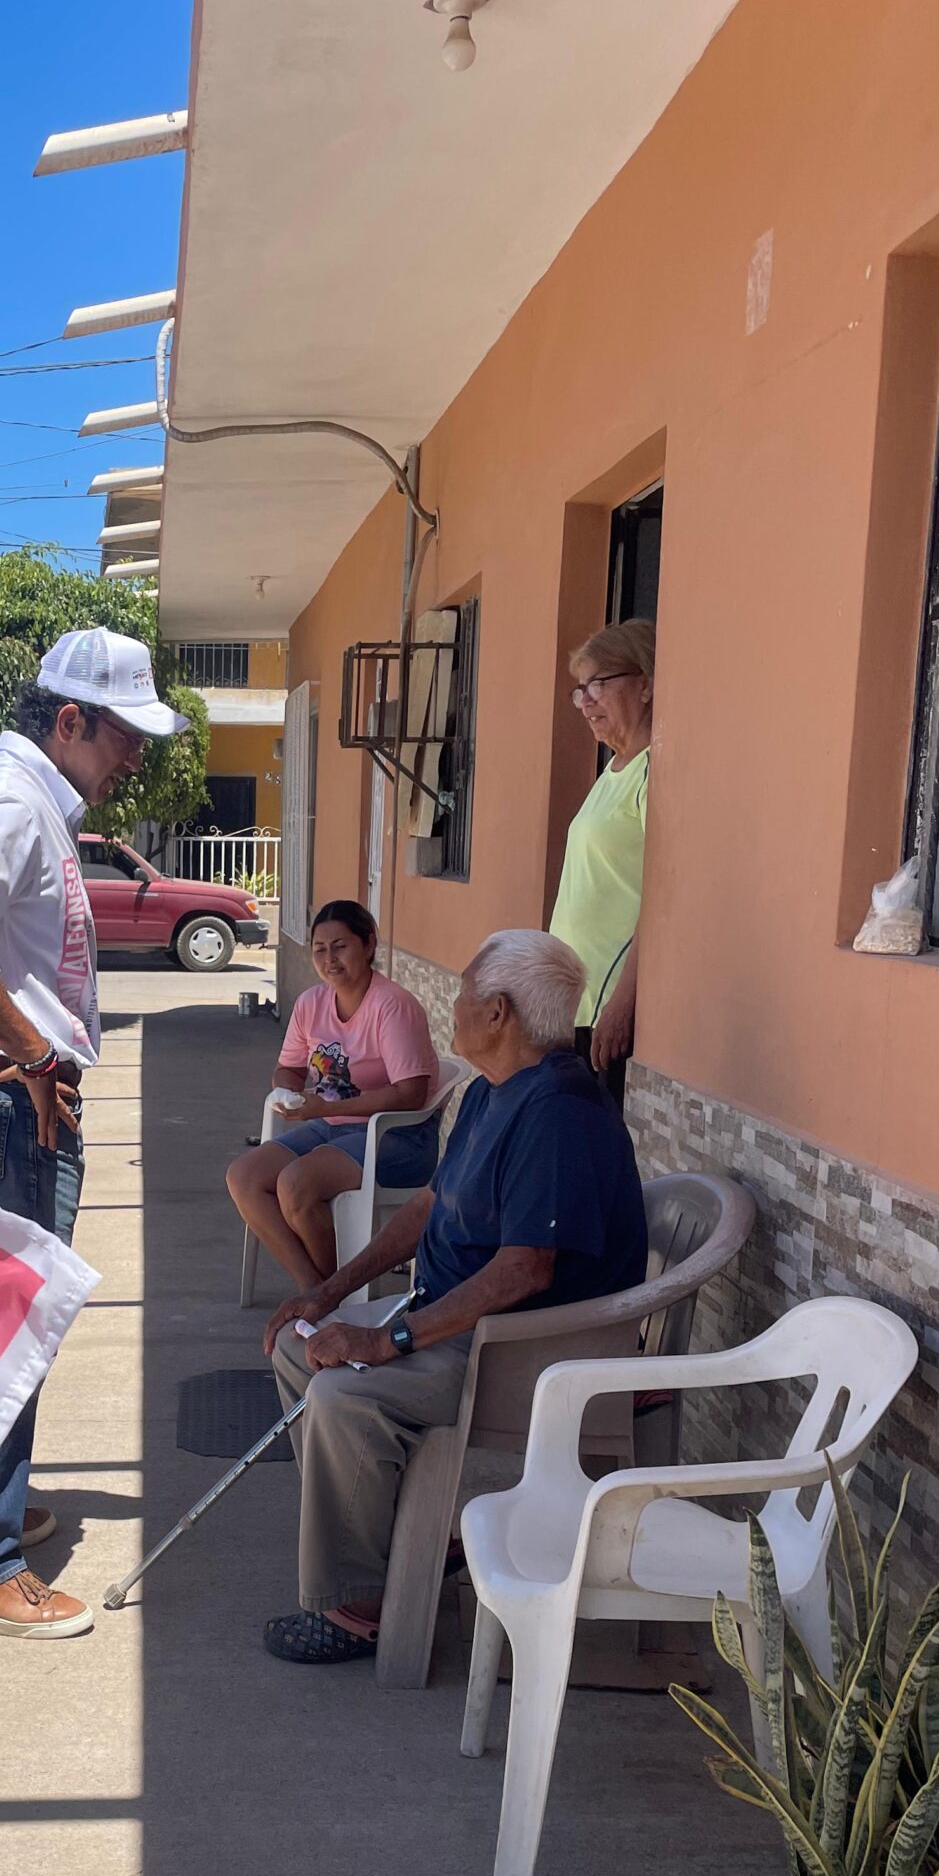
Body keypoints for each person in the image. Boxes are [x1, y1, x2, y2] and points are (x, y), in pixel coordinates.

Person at [259, 929, 646, 1664]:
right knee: (297, 1344)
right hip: (457, 1318)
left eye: (465, 994)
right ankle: (386, 1539)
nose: (455, 1007)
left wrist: (387, 1341)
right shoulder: (488, 1093)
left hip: (523, 1353)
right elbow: (425, 1210)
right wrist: (327, 1294)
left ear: (498, 1012)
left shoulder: (557, 1111)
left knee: (346, 1396)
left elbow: (525, 1271)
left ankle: (360, 1602)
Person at [0, 625, 180, 1640]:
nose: (134, 759)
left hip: (3, 1093)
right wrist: (24, 1052)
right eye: (123, 737)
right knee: (11, 1335)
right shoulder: (10, 802)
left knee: (3, 1328)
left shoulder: (19, 802)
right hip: (7, 1100)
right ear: (70, 721)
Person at [225, 899, 441, 1292]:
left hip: (395, 1138)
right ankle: (315, 1288)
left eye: (340, 946)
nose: (330, 959)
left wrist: (330, 1107)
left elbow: (412, 1093)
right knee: (244, 1176)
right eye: (319, 949)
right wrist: (289, 1092)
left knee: (296, 1185)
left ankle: (334, 1294)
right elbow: (288, 1068)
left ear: (369, 944)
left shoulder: (392, 1006)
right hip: (328, 1126)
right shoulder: (311, 1003)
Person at [548, 619, 656, 1106]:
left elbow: (660, 900)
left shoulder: (653, 772)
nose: (586, 701)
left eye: (598, 684)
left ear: (646, 683)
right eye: (580, 690)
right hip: (572, 1002)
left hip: (605, 1008)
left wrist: (623, 1003)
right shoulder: (612, 770)